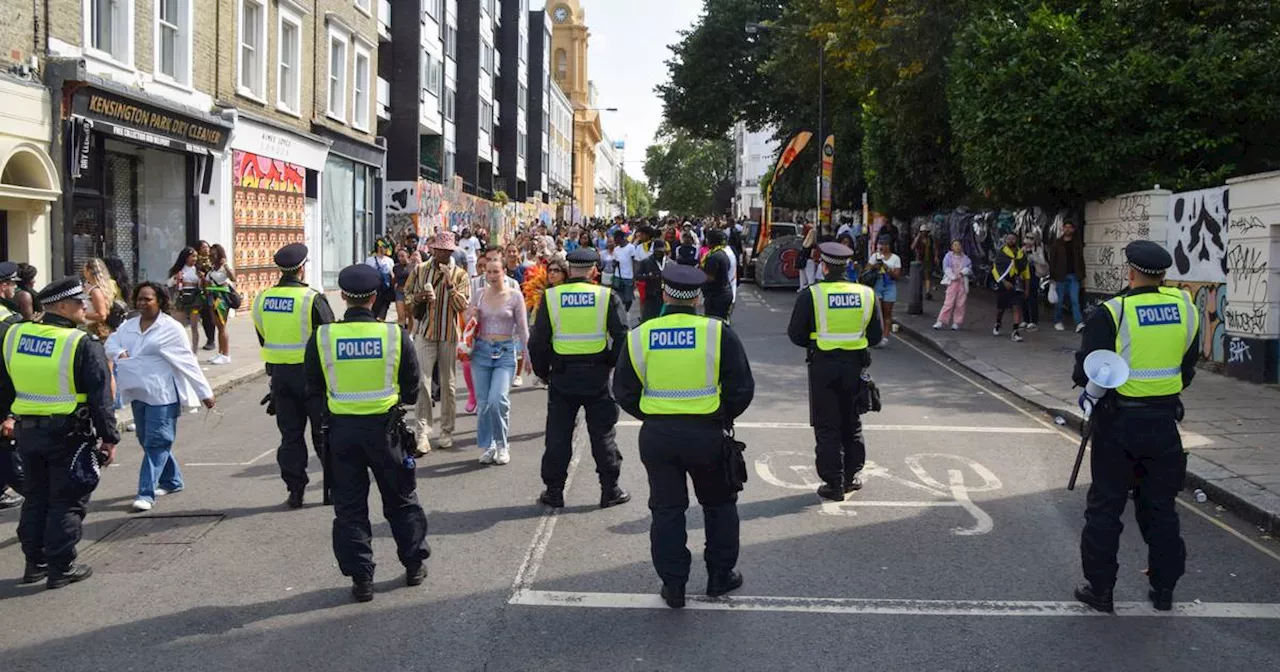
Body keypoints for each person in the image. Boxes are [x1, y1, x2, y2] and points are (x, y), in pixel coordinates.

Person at [612, 264, 756, 608]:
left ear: (664, 294)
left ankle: (674, 585)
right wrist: (722, 414)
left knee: (666, 510)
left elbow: (624, 390)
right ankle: (720, 577)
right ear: (698, 298)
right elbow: (742, 388)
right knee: (719, 505)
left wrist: (653, 415)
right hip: (707, 433)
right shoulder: (718, 333)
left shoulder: (640, 334)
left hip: (659, 436)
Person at [1072, 240, 1200, 614]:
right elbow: (1187, 366)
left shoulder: (1114, 311)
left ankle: (1101, 591)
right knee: (1160, 508)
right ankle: (1163, 590)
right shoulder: (1186, 308)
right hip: (1164, 424)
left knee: (1105, 508)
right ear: (1163, 274)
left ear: (1130, 271)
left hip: (1118, 424)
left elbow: (1085, 371)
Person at [304, 264, 428, 603]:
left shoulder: (324, 337)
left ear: (343, 297)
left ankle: (362, 580)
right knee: (401, 501)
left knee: (349, 509)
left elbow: (313, 388)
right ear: (375, 298)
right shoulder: (394, 334)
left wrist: (327, 418)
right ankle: (414, 564)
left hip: (341, 434)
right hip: (385, 431)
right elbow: (412, 388)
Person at [0, 277, 120, 589]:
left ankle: (34, 563)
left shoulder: (16, 334)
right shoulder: (80, 343)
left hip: (27, 433)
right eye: (80, 302)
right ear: (63, 307)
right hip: (68, 435)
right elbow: (100, 397)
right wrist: (109, 438)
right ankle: (60, 567)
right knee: (66, 500)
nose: (86, 307)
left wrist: (6, 417)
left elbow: (4, 383)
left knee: (36, 497)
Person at [528, 248, 630, 510]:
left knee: (558, 436)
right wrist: (609, 363)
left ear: (570, 269)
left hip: (562, 376)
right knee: (603, 434)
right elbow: (621, 336)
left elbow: (538, 341)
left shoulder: (551, 297)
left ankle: (554, 491)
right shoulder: (606, 296)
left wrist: (543, 372)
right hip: (596, 374)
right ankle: (610, 490)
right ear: (594, 270)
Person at [106, 282, 215, 512]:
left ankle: (145, 493)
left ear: (160, 301)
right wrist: (119, 352)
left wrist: (205, 392)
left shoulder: (171, 328)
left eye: (148, 299)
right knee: (147, 441)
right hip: (138, 392)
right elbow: (111, 342)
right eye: (140, 299)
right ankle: (172, 481)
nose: (142, 303)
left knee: (158, 441)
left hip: (163, 394)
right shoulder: (129, 325)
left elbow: (188, 361)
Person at [788, 242, 883, 500]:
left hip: (823, 365)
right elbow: (875, 336)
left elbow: (795, 335)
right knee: (852, 423)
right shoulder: (867, 294)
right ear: (849, 266)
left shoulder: (811, 294)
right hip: (855, 367)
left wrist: (816, 338)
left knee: (827, 425)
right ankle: (851, 476)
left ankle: (833, 482)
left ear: (824, 266)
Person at [251, 244, 336, 508]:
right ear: (302, 268)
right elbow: (328, 336)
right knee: (323, 434)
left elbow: (263, 336)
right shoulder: (312, 298)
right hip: (312, 377)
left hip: (280, 377)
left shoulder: (262, 299)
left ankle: (295, 490)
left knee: (290, 437)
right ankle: (332, 488)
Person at [406, 231, 470, 455]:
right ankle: (422, 432)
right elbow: (407, 295)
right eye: (439, 249)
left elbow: (463, 306)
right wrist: (419, 298)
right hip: (425, 332)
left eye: (447, 250)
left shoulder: (460, 274)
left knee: (449, 385)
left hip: (448, 333)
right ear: (432, 249)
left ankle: (447, 430)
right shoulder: (420, 270)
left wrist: (450, 284)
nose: (443, 253)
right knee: (423, 381)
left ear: (452, 252)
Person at [467, 258, 530, 465]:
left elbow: (522, 328)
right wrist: (472, 315)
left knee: (498, 400)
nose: (492, 276)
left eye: (496, 272)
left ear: (504, 272)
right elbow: (469, 322)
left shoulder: (515, 296)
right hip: (481, 352)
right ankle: (490, 445)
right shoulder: (479, 295)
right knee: (484, 403)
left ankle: (503, 444)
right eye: (489, 272)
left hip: (505, 352)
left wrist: (528, 355)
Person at [0, 262, 24, 511]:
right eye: (12, 284)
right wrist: (12, 413)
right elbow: (17, 366)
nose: (14, 289)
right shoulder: (10, 321)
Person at [992, 232, 1030, 343]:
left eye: (1013, 239)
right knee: (1001, 308)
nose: (1011, 240)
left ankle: (1015, 331)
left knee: (1017, 306)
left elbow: (1026, 271)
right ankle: (998, 323)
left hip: (1017, 283)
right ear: (1006, 240)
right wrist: (1004, 282)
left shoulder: (1021, 254)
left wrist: (1027, 288)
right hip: (1004, 282)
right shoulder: (1001, 253)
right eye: (1009, 239)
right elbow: (995, 269)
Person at [1051, 220, 1087, 333]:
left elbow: (1081, 260)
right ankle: (1058, 321)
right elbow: (1053, 260)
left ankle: (1079, 323)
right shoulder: (1057, 243)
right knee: (1060, 300)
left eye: (1070, 227)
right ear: (1062, 228)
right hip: (1060, 276)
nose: (1067, 229)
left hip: (1074, 276)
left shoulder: (1077, 243)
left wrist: (1082, 275)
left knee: (1074, 300)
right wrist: (1052, 277)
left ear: (1073, 229)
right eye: (1065, 227)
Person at [168, 248, 205, 352]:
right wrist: (176, 278)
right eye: (193, 256)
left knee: (194, 326)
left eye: (196, 256)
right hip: (182, 297)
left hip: (195, 300)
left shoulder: (198, 270)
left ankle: (194, 351)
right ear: (186, 257)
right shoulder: (179, 270)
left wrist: (202, 279)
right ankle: (179, 348)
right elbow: (169, 283)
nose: (195, 259)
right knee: (178, 325)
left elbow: (203, 286)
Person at [205, 244, 236, 365]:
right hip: (212, 297)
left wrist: (226, 265)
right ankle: (220, 352)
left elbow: (233, 278)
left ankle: (226, 354)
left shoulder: (223, 267)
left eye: (213, 254)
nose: (211, 257)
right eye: (210, 255)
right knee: (217, 326)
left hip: (222, 298)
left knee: (222, 326)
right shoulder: (212, 267)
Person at [868, 235, 901, 345]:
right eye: (880, 244)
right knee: (878, 312)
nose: (882, 246)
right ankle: (877, 334)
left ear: (889, 245)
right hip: (878, 283)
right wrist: (874, 266)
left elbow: (897, 276)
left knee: (887, 312)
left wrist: (887, 269)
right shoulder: (875, 256)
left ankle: (885, 337)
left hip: (889, 285)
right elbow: (866, 271)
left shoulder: (895, 258)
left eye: (884, 244)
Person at [934, 239, 973, 330]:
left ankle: (957, 322)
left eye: (958, 245)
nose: (957, 247)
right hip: (952, 282)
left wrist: (962, 273)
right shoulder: (948, 257)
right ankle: (941, 321)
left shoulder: (966, 258)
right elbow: (946, 268)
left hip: (962, 282)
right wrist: (952, 276)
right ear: (952, 247)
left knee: (961, 304)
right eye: (955, 245)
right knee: (948, 303)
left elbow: (968, 268)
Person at [700, 228, 735, 321]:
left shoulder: (713, 257)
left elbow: (710, 277)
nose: (705, 240)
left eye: (707, 238)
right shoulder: (722, 253)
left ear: (712, 241)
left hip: (717, 297)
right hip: (724, 293)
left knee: (714, 323)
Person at [81, 258, 120, 341]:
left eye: (84, 270)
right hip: (93, 328)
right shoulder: (91, 288)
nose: (83, 273)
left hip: (98, 330)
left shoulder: (96, 291)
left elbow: (102, 315)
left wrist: (81, 314)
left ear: (89, 271)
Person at [636, 239, 669, 323]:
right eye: (657, 251)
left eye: (661, 251)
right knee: (648, 321)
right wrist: (648, 276)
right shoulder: (646, 261)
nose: (659, 253)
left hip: (667, 297)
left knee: (665, 322)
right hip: (651, 296)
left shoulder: (670, 263)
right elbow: (637, 276)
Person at [365, 241, 395, 321]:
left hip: (385, 288)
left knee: (384, 306)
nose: (384, 249)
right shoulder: (370, 260)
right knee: (374, 306)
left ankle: (380, 319)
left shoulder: (389, 261)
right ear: (378, 247)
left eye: (385, 247)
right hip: (374, 287)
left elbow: (392, 274)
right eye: (382, 247)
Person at [196, 241, 218, 351]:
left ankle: (211, 339)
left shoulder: (213, 261)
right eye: (203, 247)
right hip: (199, 292)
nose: (206, 249)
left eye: (207, 247)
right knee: (205, 317)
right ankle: (208, 338)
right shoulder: (195, 262)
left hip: (211, 292)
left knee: (211, 316)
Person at [611, 230, 637, 317]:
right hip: (617, 276)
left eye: (615, 238)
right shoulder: (616, 249)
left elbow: (634, 262)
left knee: (628, 298)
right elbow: (614, 262)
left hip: (628, 276)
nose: (614, 240)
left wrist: (634, 276)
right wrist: (615, 264)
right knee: (618, 296)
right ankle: (621, 313)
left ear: (620, 238)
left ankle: (626, 311)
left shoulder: (631, 248)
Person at [912, 228, 936, 301]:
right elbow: (912, 247)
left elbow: (934, 248)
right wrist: (917, 237)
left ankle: (927, 292)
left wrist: (936, 256)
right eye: (922, 232)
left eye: (925, 232)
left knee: (927, 276)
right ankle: (918, 291)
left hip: (928, 259)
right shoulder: (918, 239)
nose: (924, 233)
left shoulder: (930, 239)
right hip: (920, 259)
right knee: (919, 276)